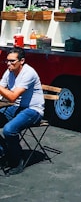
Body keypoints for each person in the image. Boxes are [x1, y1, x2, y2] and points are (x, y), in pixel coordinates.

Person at [0, 47, 44, 175]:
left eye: (12, 61)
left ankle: (17, 161)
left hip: (33, 110)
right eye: (7, 61)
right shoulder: (9, 71)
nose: (9, 64)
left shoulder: (28, 73)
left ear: (22, 61)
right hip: (17, 108)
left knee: (9, 130)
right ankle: (5, 152)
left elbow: (12, 97)